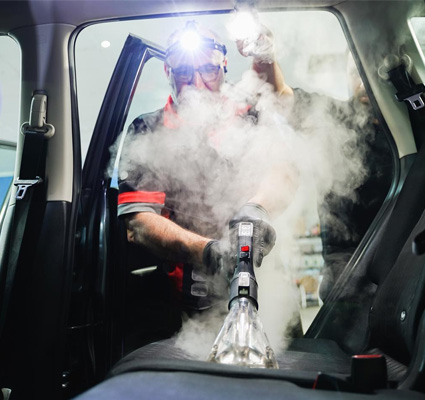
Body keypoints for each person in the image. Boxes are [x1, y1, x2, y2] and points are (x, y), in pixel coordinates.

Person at [118, 21, 296, 312]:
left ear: (224, 67)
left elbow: (285, 172)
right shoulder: (148, 130)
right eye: (184, 72)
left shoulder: (248, 115)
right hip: (187, 300)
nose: (197, 84)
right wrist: (208, 252)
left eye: (209, 70)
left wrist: (257, 208)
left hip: (269, 286)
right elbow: (138, 222)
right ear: (167, 71)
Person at [287, 52, 393, 301]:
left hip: (401, 255)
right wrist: (264, 54)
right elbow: (282, 97)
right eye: (356, 72)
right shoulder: (336, 118)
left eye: (371, 71)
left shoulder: (407, 126)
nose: (363, 80)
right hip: (347, 262)